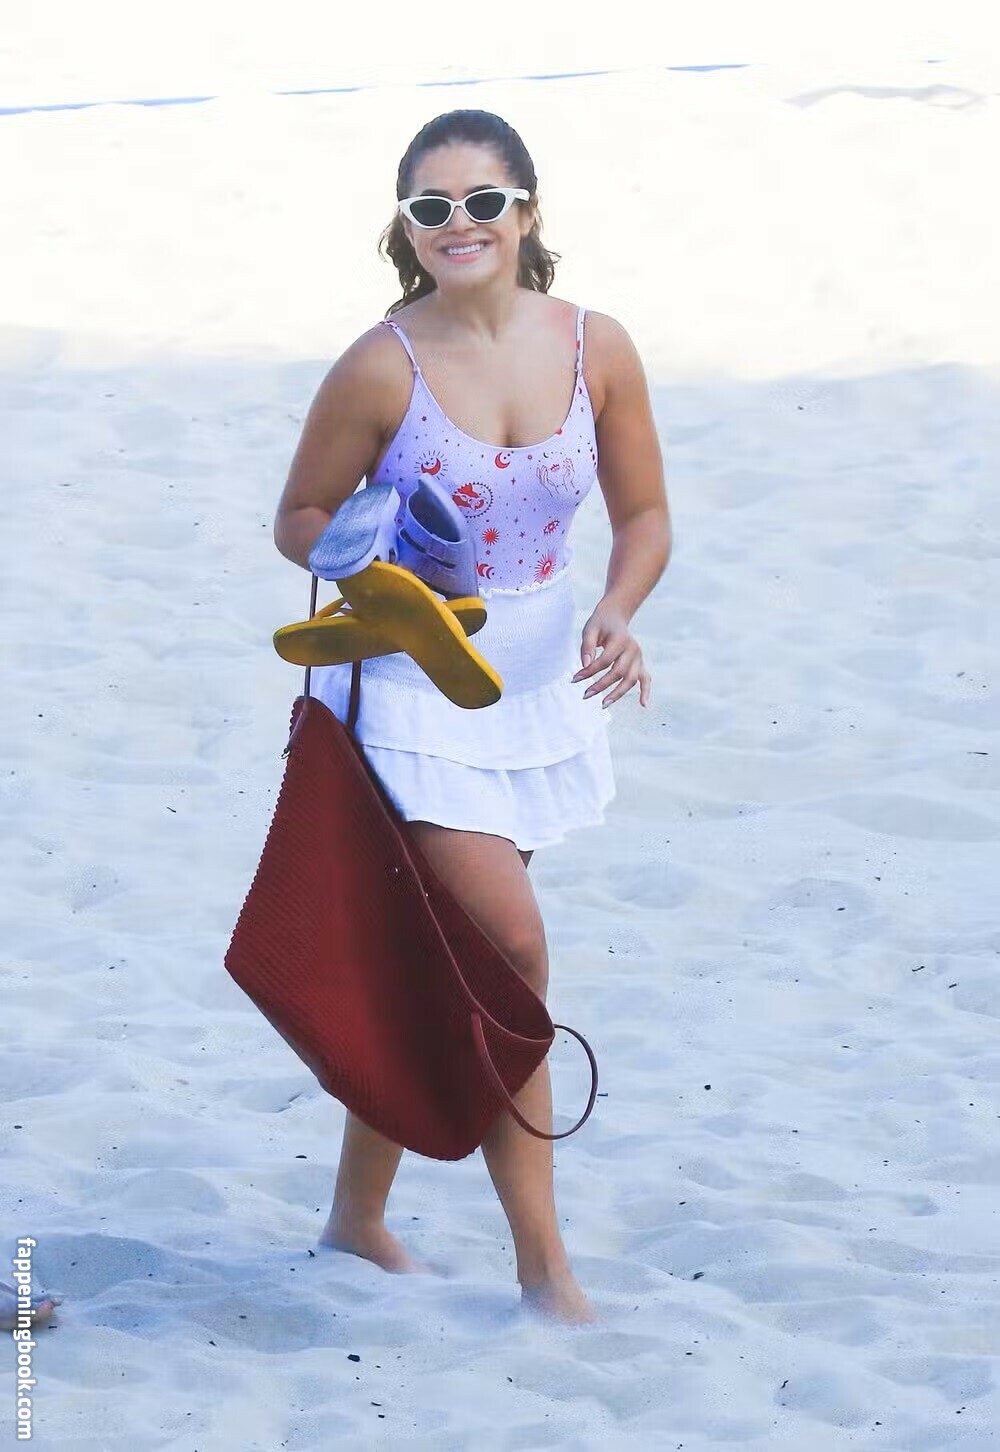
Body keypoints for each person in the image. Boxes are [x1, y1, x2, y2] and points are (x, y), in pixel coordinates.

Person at [273, 109, 671, 1324]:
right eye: (432, 208)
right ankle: (545, 1271)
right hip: (412, 689)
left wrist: (617, 609)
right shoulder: (379, 365)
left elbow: (645, 515)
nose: (459, 224)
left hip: (538, 689)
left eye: (483, 202)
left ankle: (355, 1220)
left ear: (525, 214)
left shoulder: (595, 346)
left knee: (445, 964)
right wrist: (376, 558)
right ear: (406, 228)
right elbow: (299, 518)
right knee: (510, 958)